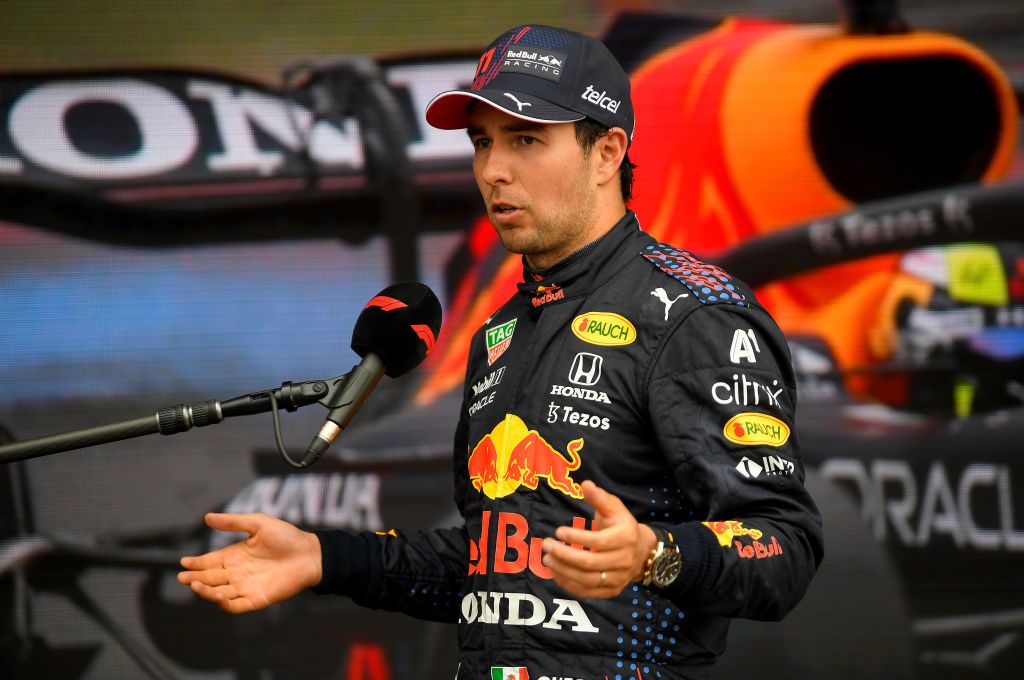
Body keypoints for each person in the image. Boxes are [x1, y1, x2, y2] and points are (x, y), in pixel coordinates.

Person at [179, 24, 823, 679]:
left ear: (607, 153)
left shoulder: (693, 313)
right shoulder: (501, 332)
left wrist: (653, 554)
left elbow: (786, 546)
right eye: (482, 142)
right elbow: (491, 568)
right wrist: (325, 559)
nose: (493, 170)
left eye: (525, 140)